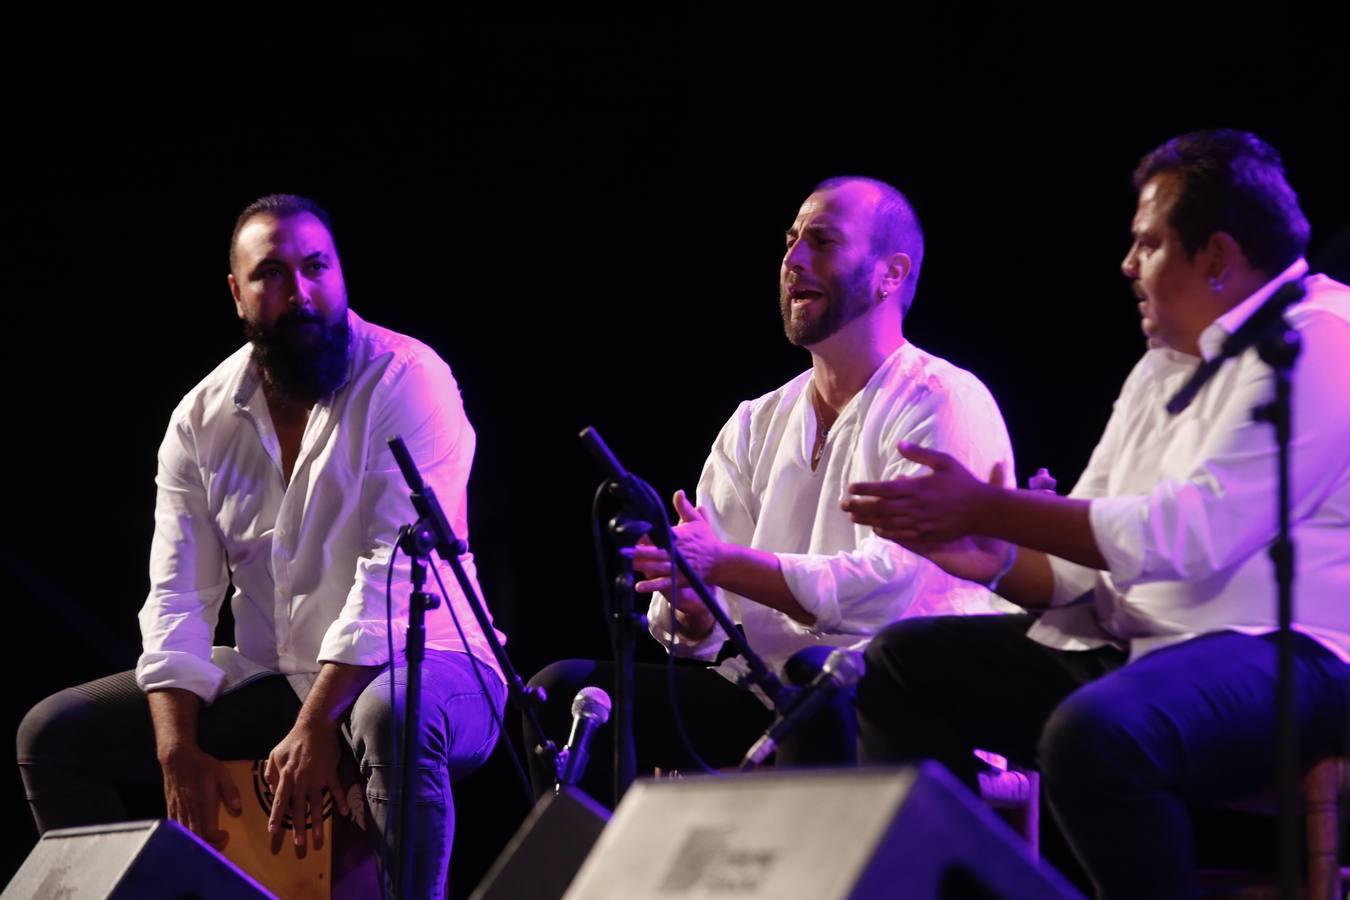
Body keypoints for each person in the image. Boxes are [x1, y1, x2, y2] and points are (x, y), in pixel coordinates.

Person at [843, 130, 1350, 899]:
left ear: (1216, 256)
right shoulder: (1160, 364)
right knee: (900, 666)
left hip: (1294, 654)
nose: (1127, 265)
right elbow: (1085, 557)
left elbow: (1195, 534)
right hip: (1146, 647)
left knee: (1098, 734)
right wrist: (999, 558)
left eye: (1146, 244)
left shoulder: (1319, 343)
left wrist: (991, 505)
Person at [17, 194, 506, 898]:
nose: (300, 292)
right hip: (282, 674)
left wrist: (315, 728)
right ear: (236, 293)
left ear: (340, 273)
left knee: (386, 715)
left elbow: (388, 579)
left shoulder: (408, 378)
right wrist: (176, 748)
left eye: (316, 268)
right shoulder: (201, 418)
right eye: (271, 274)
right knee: (53, 736)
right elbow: (179, 593)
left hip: (436, 665)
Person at [525, 176, 1015, 800]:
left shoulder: (941, 401)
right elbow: (697, 615)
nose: (793, 259)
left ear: (891, 274)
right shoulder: (756, 421)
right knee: (559, 692)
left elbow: (891, 590)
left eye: (822, 241)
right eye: (789, 242)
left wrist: (727, 566)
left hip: (898, 706)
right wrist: (693, 604)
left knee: (817, 682)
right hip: (767, 696)